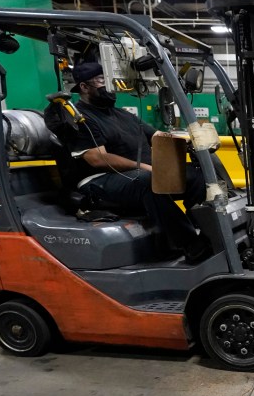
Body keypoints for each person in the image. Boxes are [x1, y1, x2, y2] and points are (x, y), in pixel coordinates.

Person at [61, 62, 211, 263]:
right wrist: (143, 166)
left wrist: (192, 142)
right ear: (84, 87)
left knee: (194, 174)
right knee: (148, 181)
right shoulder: (81, 118)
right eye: (100, 81)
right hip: (98, 181)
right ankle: (191, 245)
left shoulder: (122, 114)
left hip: (139, 174)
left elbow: (158, 136)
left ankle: (208, 232)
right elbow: (97, 158)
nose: (109, 86)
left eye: (110, 80)